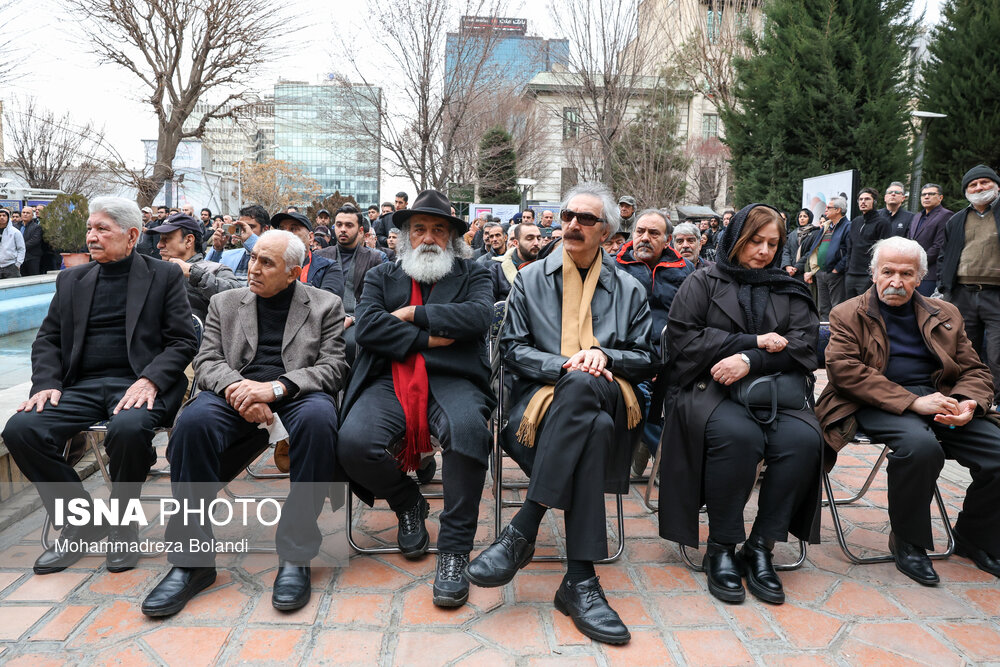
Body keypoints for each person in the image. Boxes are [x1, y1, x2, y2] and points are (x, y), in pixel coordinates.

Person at [466, 182, 655, 645]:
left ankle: (523, 528)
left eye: (585, 219)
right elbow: (511, 351)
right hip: (539, 410)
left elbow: (647, 357)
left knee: (590, 386)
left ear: (607, 231)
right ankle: (580, 581)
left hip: (614, 394)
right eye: (568, 215)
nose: (571, 224)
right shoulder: (530, 280)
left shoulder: (629, 289)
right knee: (593, 424)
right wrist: (565, 364)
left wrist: (603, 357)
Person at [141, 230, 348, 616]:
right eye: (253, 258)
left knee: (321, 420)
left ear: (293, 273)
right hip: (233, 395)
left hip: (295, 394)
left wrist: (276, 388)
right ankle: (192, 563)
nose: (253, 268)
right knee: (192, 424)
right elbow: (206, 362)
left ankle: (295, 555)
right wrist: (240, 389)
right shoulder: (225, 302)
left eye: (266, 262)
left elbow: (334, 367)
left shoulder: (325, 305)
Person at [1, 197, 198, 574]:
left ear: (132, 235)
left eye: (102, 229)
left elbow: (183, 341)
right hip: (83, 386)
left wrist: (150, 378)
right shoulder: (72, 279)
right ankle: (82, 521)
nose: (91, 236)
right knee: (22, 429)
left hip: (140, 384)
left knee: (127, 429)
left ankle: (124, 527)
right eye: (90, 229)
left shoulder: (163, 275)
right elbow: (48, 340)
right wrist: (46, 382)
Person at [659, 204, 822, 606]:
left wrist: (752, 360)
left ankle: (761, 546)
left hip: (776, 390)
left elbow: (805, 347)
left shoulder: (790, 288)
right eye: (755, 241)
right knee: (739, 435)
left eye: (773, 243)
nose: (764, 251)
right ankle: (722, 544)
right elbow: (683, 341)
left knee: (803, 440)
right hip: (706, 387)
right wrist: (750, 342)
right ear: (736, 239)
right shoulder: (703, 281)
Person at [338, 189, 494, 609]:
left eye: (438, 230)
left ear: (452, 238)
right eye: (419, 229)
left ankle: (455, 550)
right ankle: (408, 501)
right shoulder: (381, 276)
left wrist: (409, 315)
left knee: (466, 433)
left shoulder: (473, 273)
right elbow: (367, 329)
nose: (428, 238)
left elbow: (479, 317)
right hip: (387, 379)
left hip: (455, 380)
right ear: (405, 236)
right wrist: (432, 338)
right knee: (353, 443)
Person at [817, 236, 1000, 583]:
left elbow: (975, 369)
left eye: (907, 273)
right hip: (872, 399)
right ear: (873, 274)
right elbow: (845, 371)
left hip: (942, 398)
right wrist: (913, 402)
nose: (896, 282)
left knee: (998, 452)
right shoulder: (847, 313)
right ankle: (909, 541)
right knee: (920, 448)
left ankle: (976, 538)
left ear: (921, 278)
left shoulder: (946, 313)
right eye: (888, 271)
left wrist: (968, 402)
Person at [615, 209, 694, 474]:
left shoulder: (686, 272)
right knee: (641, 396)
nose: (645, 238)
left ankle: (650, 450)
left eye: (653, 233)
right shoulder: (612, 268)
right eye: (640, 231)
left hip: (673, 357)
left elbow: (693, 319)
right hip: (627, 356)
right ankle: (675, 467)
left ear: (667, 239)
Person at [938, 165, 1000, 402]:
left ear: (996, 185)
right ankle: (971, 397)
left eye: (984, 182)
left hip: (996, 294)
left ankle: (997, 402)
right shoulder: (957, 220)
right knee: (965, 352)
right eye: (973, 185)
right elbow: (945, 255)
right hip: (963, 294)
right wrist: (945, 288)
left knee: (997, 354)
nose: (979, 188)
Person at [316, 205, 387, 362]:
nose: (342, 229)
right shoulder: (320, 255)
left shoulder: (374, 258)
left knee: (350, 343)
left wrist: (353, 318)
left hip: (357, 318)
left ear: (360, 230)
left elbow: (376, 299)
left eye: (349, 225)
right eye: (339, 225)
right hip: (323, 317)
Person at [155, 213, 243, 321]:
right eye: (160, 239)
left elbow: (238, 298)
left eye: (166, 239)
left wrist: (195, 274)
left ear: (189, 240)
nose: (159, 245)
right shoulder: (156, 272)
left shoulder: (214, 269)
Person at [271, 211, 345, 297]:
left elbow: (327, 302)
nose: (286, 234)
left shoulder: (328, 268)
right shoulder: (268, 265)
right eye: (282, 230)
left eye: (293, 229)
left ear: (310, 237)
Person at [802, 196, 851, 319]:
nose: (825, 210)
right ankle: (825, 337)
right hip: (821, 272)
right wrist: (814, 270)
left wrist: (837, 269)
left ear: (838, 210)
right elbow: (816, 248)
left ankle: (837, 336)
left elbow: (850, 251)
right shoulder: (827, 226)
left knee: (837, 308)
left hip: (835, 274)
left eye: (828, 208)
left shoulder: (847, 226)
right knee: (823, 309)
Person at [843, 188, 891, 298]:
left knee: (867, 308)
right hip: (851, 274)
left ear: (874, 202)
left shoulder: (882, 223)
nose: (863, 202)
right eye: (860, 199)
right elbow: (850, 247)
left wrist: (875, 274)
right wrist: (847, 269)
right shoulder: (856, 221)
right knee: (850, 308)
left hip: (867, 275)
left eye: (867, 199)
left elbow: (884, 251)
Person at [907, 183, 951, 297]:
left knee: (925, 309)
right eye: (923, 194)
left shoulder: (946, 215)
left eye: (931, 194)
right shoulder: (917, 216)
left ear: (940, 197)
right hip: (912, 272)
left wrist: (916, 262)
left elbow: (939, 246)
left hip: (930, 274)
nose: (926, 197)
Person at [205, 205, 270, 279]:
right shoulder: (227, 256)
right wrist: (217, 249)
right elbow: (204, 275)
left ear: (265, 229)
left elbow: (269, 256)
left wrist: (251, 239)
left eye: (250, 227)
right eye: (241, 227)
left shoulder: (274, 255)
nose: (244, 231)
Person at [489, 221, 541, 301]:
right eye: (530, 239)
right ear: (516, 243)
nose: (536, 243)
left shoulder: (548, 268)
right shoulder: (497, 270)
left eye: (539, 238)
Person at [781, 209, 813, 280]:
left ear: (809, 218)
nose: (802, 218)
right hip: (790, 271)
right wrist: (787, 266)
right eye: (800, 216)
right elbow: (786, 250)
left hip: (805, 272)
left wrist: (796, 267)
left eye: (805, 216)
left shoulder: (814, 233)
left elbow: (810, 252)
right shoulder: (792, 234)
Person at [0, 208, 26, 278]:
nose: (1, 217)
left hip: (11, 265)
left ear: (8, 218)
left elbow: (21, 249)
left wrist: (18, 264)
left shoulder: (15, 232)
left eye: (4, 215)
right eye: (0, 215)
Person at [20, 206, 43, 276]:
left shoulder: (36, 227)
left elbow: (34, 241)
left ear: (32, 215)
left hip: (32, 258)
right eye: (23, 212)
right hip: (19, 258)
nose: (25, 214)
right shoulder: (15, 226)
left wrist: (20, 248)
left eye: (28, 213)